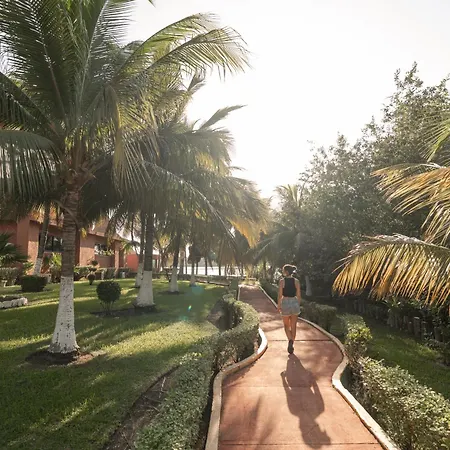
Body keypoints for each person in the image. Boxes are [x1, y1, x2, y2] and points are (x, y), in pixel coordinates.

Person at [277, 264, 301, 354]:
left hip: (285, 302)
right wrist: (298, 304)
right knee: (293, 325)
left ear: (286, 272)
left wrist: (279, 305)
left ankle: (290, 340)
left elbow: (280, 295)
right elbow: (298, 295)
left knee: (286, 325)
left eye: (283, 271)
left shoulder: (282, 281)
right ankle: (292, 343)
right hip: (294, 302)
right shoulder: (296, 281)